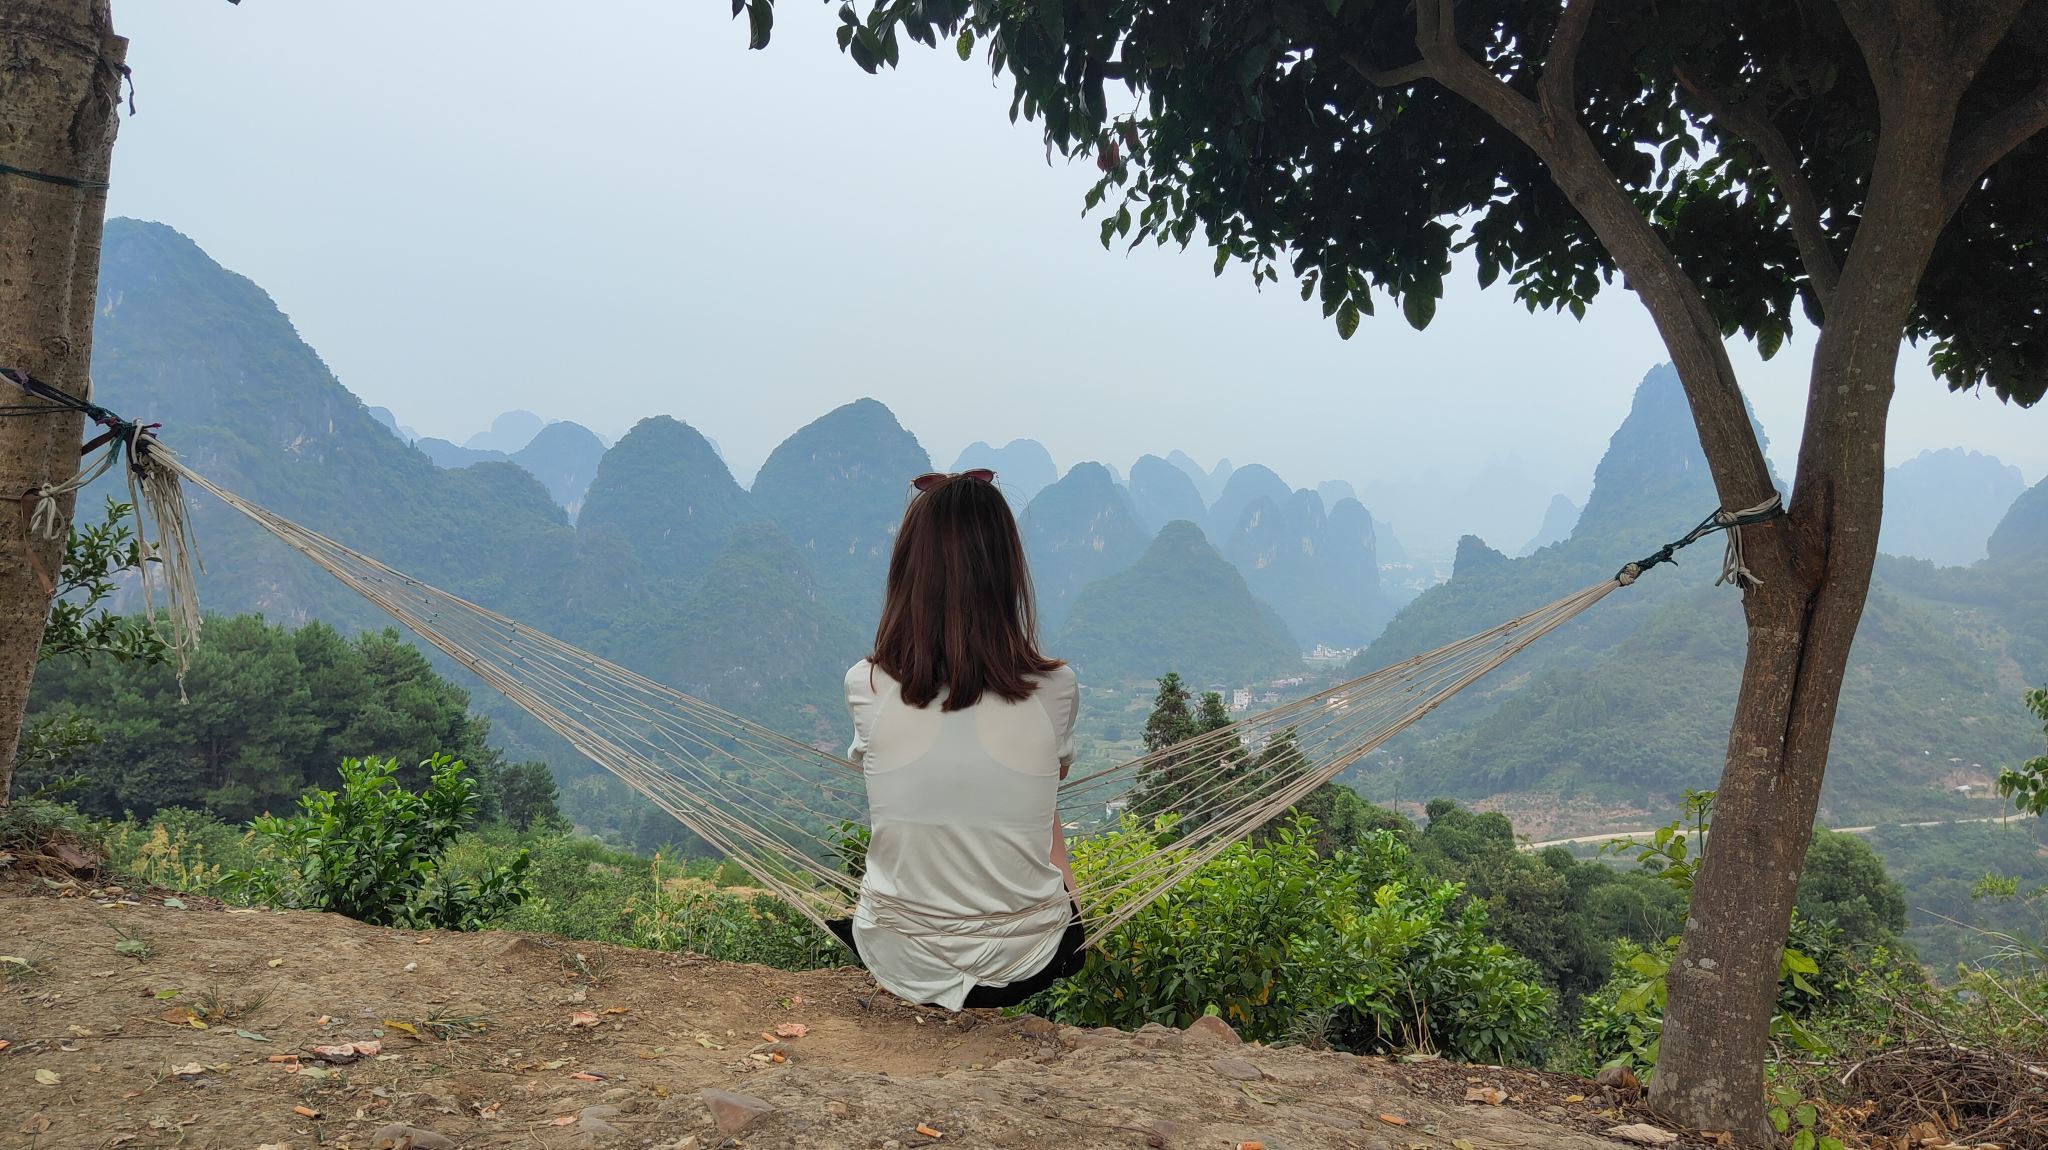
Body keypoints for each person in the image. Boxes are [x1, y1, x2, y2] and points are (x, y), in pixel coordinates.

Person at [824, 468, 1087, 1011]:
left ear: (907, 573)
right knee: (1044, 811)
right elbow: (1045, 802)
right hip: (1026, 959)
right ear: (1008, 574)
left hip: (896, 953)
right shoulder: (1056, 689)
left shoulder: (866, 685)